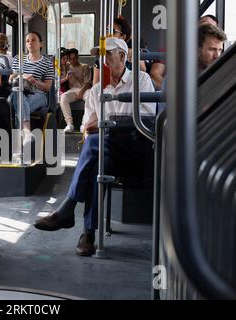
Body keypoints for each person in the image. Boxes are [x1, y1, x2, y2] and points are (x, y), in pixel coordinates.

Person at [34, 38, 156, 256]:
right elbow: (85, 126)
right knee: (95, 161)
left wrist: (107, 126)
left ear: (122, 56)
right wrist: (89, 126)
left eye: (109, 54)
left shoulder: (141, 80)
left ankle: (70, 210)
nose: (105, 59)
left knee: (95, 142)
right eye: (102, 55)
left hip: (133, 150)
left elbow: (146, 121)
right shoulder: (97, 90)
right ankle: (88, 233)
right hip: (105, 151)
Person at [8, 31, 55, 147]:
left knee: (18, 106)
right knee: (18, 96)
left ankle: (16, 145)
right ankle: (27, 132)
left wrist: (35, 81)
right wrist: (23, 76)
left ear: (40, 44)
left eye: (33, 40)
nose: (30, 43)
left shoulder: (47, 63)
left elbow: (48, 87)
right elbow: (11, 79)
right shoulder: (19, 59)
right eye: (27, 41)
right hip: (19, 91)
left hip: (38, 94)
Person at [59, 48, 92, 133]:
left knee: (90, 98)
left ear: (78, 57)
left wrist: (81, 93)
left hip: (85, 89)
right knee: (63, 97)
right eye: (70, 58)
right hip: (73, 90)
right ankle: (69, 124)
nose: (72, 60)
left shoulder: (85, 66)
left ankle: (84, 124)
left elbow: (87, 83)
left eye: (74, 58)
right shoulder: (67, 67)